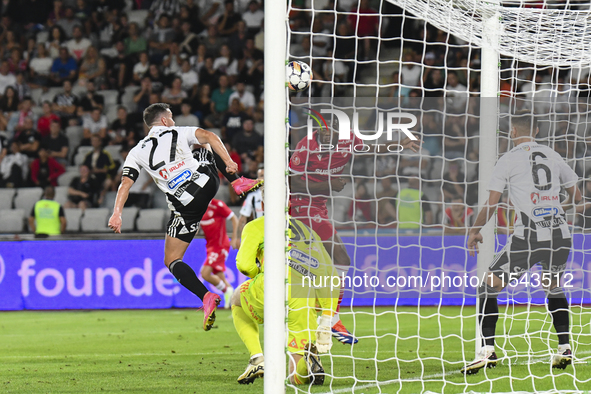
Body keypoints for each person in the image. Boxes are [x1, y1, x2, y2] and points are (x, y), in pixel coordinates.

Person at [107, 103, 261, 331]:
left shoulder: (136, 151)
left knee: (171, 260)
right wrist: (229, 164)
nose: (174, 121)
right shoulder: (177, 132)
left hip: (184, 205)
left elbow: (125, 184)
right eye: (171, 117)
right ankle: (238, 182)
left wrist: (117, 213)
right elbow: (210, 136)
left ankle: (206, 296)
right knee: (205, 144)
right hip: (204, 183)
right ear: (164, 121)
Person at [462, 111, 582, 375]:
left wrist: (475, 230)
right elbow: (577, 196)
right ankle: (565, 347)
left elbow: (492, 202)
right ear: (537, 131)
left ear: (512, 133)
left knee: (487, 287)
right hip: (560, 234)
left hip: (529, 235)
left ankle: (487, 350)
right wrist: (551, 207)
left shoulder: (508, 159)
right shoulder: (553, 155)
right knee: (553, 286)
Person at [289, 122, 420, 344]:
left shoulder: (346, 141)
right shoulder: (305, 146)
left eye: (333, 131)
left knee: (328, 262)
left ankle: (325, 316)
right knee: (339, 258)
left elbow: (372, 149)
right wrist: (328, 185)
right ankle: (329, 319)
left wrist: (400, 144)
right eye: (324, 130)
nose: (328, 135)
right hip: (299, 206)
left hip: (319, 207)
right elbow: (290, 183)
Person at [231, 192, 337, 385]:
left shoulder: (256, 225)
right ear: (290, 204)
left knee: (236, 298)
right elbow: (329, 276)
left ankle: (257, 358)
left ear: (263, 203)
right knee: (295, 376)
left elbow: (244, 265)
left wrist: (259, 272)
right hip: (303, 294)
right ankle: (306, 363)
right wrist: (327, 320)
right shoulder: (308, 231)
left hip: (271, 287)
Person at [200, 198, 239, 309]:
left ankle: (227, 291)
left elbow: (234, 219)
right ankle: (233, 298)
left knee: (205, 273)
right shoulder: (199, 206)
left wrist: (234, 237)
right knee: (219, 275)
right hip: (210, 245)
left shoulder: (218, 205)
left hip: (220, 245)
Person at [237, 167, 263, 240]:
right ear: (257, 179)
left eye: (266, 175)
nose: (264, 178)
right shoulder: (252, 197)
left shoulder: (277, 196)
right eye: (262, 175)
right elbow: (243, 218)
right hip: (259, 234)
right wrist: (239, 238)